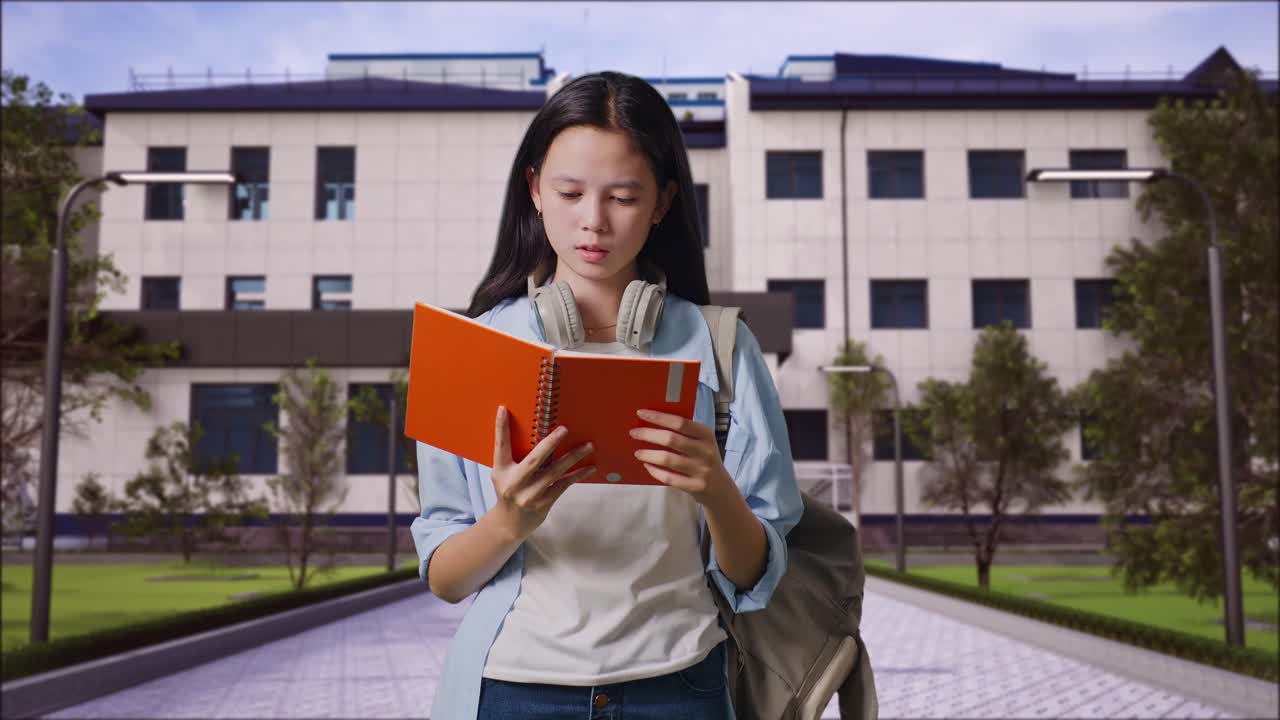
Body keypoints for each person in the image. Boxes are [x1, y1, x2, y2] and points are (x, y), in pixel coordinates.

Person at [412, 71, 803, 720]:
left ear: (662, 202)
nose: (593, 221)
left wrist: (715, 490)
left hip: (681, 685)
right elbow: (447, 578)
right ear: (534, 190)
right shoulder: (472, 351)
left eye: (623, 196)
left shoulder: (722, 348)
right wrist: (511, 518)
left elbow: (753, 574)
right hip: (513, 687)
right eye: (569, 192)